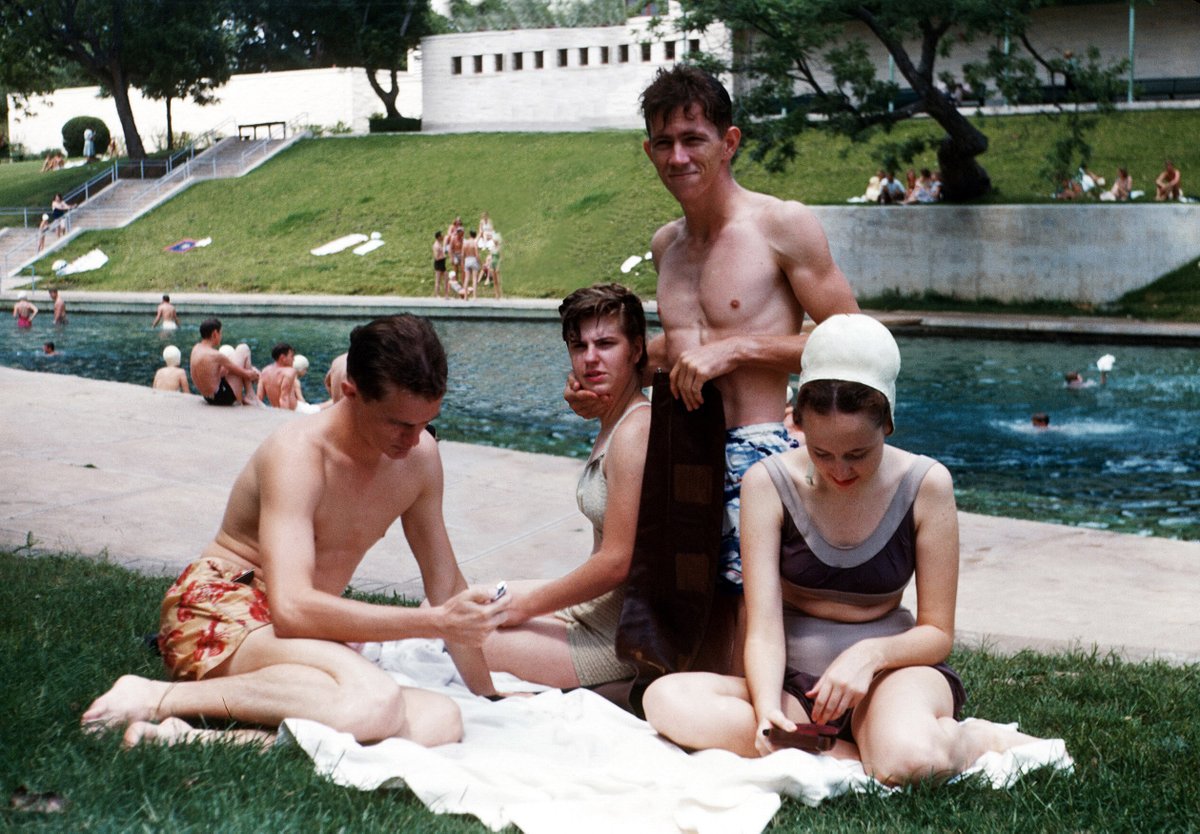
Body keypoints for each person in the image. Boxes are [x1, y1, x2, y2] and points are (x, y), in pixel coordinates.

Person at [643, 314, 1047, 784]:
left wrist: (869, 656)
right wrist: (769, 707)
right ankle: (850, 752)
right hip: (791, 680)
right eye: (822, 452)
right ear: (798, 424)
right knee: (666, 700)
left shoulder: (925, 484)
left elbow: (938, 632)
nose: (839, 471)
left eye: (857, 454)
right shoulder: (768, 483)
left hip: (889, 677)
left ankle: (974, 739)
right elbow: (764, 627)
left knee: (913, 762)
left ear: (888, 424)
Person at [82, 315, 511, 748]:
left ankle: (191, 740)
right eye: (400, 424)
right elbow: (291, 608)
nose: (415, 439)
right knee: (376, 702)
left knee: (441, 721)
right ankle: (159, 696)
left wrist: (486, 691)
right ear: (351, 392)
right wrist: (431, 623)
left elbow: (445, 583)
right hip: (223, 609)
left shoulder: (418, 459)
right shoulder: (298, 455)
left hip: (299, 631)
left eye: (426, 422)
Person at [567, 66, 859, 673]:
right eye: (664, 143)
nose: (678, 156)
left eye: (693, 139)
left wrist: (742, 350)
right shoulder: (666, 246)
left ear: (729, 142)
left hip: (755, 455)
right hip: (678, 453)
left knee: (738, 644)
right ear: (648, 151)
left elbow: (856, 343)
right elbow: (681, 351)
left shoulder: (781, 225)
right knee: (677, 641)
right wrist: (612, 385)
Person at [485, 284, 651, 688]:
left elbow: (617, 563)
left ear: (637, 349)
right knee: (448, 606)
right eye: (579, 346)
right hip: (588, 613)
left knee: (451, 631)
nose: (590, 357)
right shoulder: (616, 418)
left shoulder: (635, 432)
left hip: (613, 641)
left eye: (606, 343)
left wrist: (527, 606)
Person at [188, 318, 259, 406]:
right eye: (220, 333)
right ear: (215, 334)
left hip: (207, 397)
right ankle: (250, 395)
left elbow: (218, 372)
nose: (221, 336)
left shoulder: (196, 348)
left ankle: (250, 396)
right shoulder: (215, 355)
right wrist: (255, 374)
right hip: (222, 398)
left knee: (231, 364)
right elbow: (246, 374)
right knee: (243, 348)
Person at [256, 342, 298, 409]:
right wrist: (286, 417)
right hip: (294, 410)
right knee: (320, 407)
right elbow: (284, 398)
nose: (294, 359)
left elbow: (259, 397)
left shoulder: (264, 371)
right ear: (283, 358)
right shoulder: (290, 372)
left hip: (275, 409)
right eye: (292, 356)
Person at [462, 230, 481, 300]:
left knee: (466, 279)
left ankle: (465, 296)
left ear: (470, 235)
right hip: (473, 259)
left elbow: (462, 254)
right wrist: (480, 262)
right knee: (474, 279)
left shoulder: (465, 243)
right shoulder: (474, 243)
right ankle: (474, 296)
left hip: (467, 259)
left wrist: (463, 262)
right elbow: (477, 254)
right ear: (475, 236)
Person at [432, 231, 449, 299]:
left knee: (446, 278)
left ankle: (446, 295)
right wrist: (443, 257)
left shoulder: (440, 243)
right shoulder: (436, 245)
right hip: (438, 264)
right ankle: (437, 294)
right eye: (441, 236)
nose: (442, 236)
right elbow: (436, 257)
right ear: (438, 237)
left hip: (442, 263)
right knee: (438, 279)